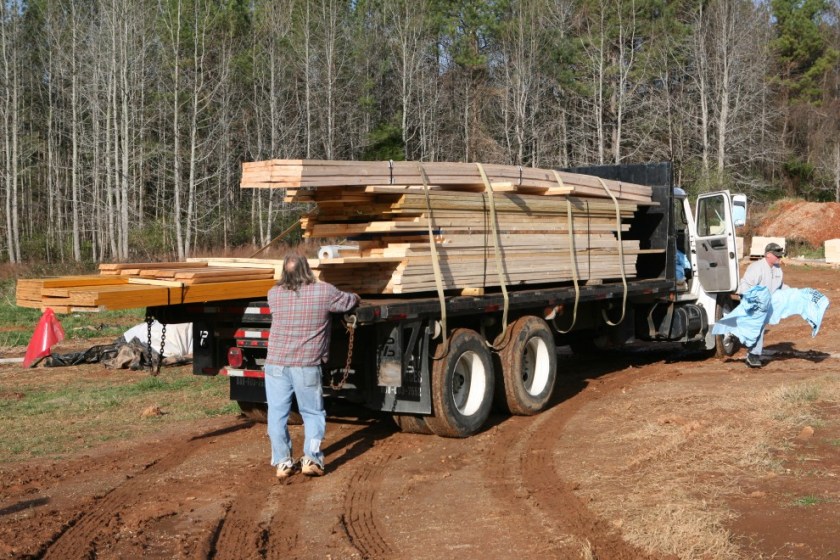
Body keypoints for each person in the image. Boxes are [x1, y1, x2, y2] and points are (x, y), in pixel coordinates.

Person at [265, 252, 360, 479]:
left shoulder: (273, 294)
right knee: (312, 413)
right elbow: (347, 301)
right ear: (308, 270)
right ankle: (312, 459)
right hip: (306, 364)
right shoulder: (324, 291)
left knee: (277, 414)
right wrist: (356, 297)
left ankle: (283, 463)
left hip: (276, 363)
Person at [737, 242, 787, 368]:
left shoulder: (778, 270)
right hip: (753, 301)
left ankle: (751, 351)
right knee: (757, 328)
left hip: (766, 304)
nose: (779, 258)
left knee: (757, 328)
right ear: (768, 255)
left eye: (780, 255)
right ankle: (753, 355)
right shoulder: (756, 268)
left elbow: (780, 287)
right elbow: (746, 285)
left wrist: (794, 293)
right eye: (777, 255)